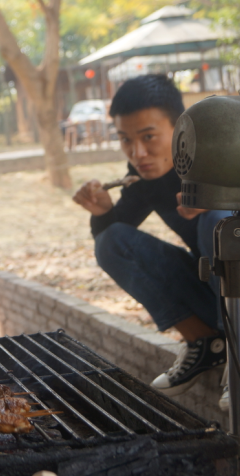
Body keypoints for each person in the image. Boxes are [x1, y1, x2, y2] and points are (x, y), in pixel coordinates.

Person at [73, 74, 231, 408]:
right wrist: (103, 212)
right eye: (125, 139)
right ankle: (208, 343)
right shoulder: (143, 175)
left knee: (217, 222)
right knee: (110, 241)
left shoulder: (223, 151)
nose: (138, 153)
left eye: (148, 137)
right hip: (219, 299)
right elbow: (119, 247)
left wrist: (225, 202)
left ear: (182, 128)